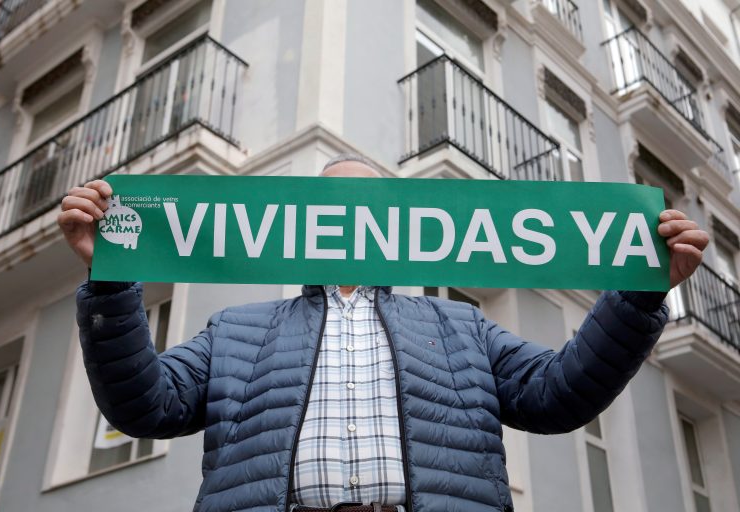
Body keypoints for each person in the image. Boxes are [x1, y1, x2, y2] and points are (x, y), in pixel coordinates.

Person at [58, 154, 709, 512]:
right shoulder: (235, 330)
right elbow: (146, 407)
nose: (348, 217)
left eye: (368, 204)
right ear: (299, 222)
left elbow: (556, 396)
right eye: (329, 205)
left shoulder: (461, 325)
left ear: (399, 222)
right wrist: (110, 282)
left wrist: (638, 296)